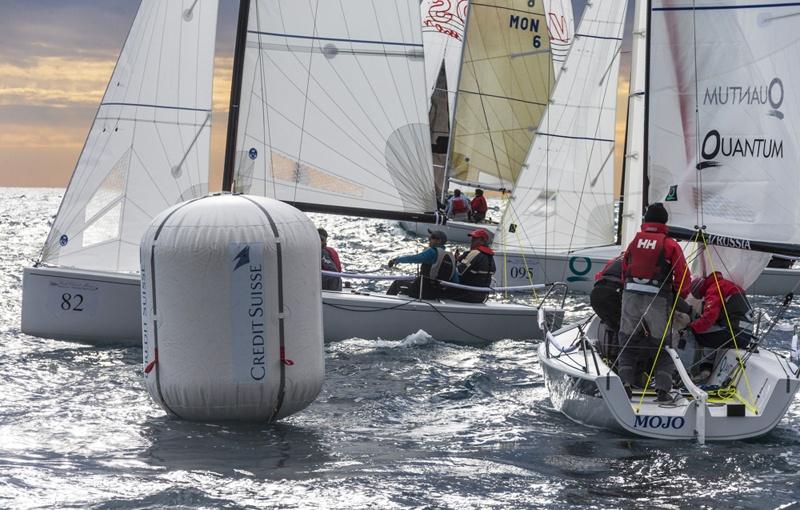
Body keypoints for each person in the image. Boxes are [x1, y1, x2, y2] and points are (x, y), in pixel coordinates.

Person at [617, 203, 691, 401]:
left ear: (646, 220)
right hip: (658, 300)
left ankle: (625, 384)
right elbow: (683, 275)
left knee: (627, 341)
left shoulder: (635, 242)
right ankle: (663, 390)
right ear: (665, 222)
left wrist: (628, 290)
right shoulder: (670, 244)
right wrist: (680, 296)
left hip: (630, 297)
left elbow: (624, 268)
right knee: (663, 345)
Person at [687, 272, 755, 378]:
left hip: (732, 332)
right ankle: (706, 368)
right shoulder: (728, 285)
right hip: (746, 336)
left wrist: (691, 327)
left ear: (701, 290)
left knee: (695, 333)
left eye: (702, 296)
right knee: (709, 330)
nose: (704, 297)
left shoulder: (714, 288)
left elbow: (709, 317)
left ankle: (688, 371)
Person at [386, 229, 457, 299]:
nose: (429, 239)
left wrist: (396, 260)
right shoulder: (451, 258)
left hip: (422, 291)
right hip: (437, 293)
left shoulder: (432, 252)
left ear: (439, 241)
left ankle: (387, 302)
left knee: (397, 283)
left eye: (432, 237)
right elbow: (455, 280)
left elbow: (414, 258)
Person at [448, 228, 496, 303]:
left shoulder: (475, 253)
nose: (472, 241)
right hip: (481, 297)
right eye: (472, 239)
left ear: (483, 241)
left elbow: (458, 272)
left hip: (466, 295)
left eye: (475, 239)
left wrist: (453, 262)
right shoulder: (490, 256)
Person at [590, 254, 624, 361]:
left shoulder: (616, 259)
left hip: (596, 294)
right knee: (624, 327)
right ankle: (617, 360)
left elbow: (598, 276)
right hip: (612, 294)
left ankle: (611, 359)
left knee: (614, 326)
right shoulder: (639, 261)